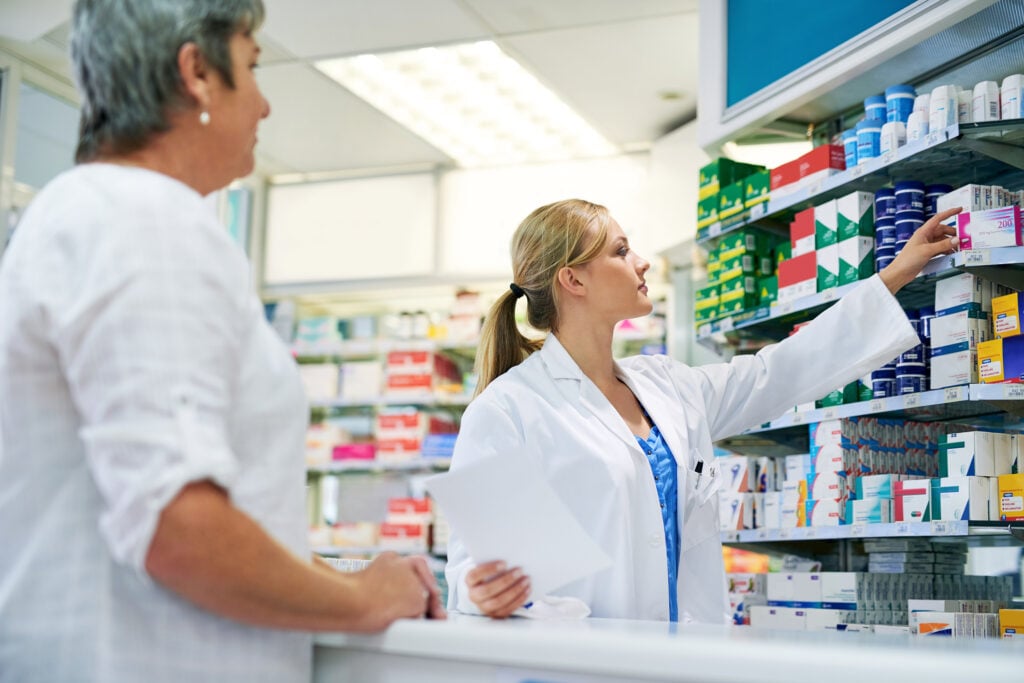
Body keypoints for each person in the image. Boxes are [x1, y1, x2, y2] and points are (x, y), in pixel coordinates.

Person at [0, 1, 443, 681]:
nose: (264, 106)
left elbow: (198, 508)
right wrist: (360, 598)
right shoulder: (146, 220)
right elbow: (179, 530)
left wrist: (343, 571)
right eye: (254, 66)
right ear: (197, 72)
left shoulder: (79, 214)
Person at [445, 198, 961, 623]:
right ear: (573, 281)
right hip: (583, 665)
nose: (642, 262)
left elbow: (777, 372)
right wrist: (486, 594)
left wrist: (894, 275)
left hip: (685, 656)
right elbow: (473, 569)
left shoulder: (667, 386)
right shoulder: (508, 409)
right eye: (621, 251)